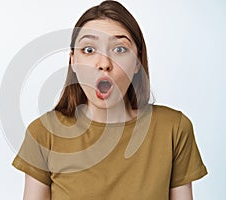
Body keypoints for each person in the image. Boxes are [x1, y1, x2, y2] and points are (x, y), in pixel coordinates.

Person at [12, 1, 207, 199]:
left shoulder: (173, 129)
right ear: (73, 61)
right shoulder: (44, 134)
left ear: (138, 61)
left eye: (119, 49)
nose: (104, 63)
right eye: (89, 50)